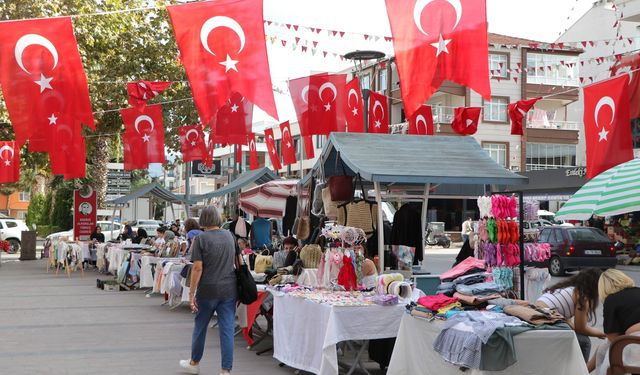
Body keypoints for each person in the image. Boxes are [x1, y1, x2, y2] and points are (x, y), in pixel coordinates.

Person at [180, 206, 238, 375]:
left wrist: (191, 293)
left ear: (203, 220)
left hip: (207, 290)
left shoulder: (201, 239)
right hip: (229, 289)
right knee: (227, 330)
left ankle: (194, 363)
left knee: (200, 326)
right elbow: (237, 261)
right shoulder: (230, 236)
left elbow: (197, 268)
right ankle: (226, 370)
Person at [535, 268, 605, 362]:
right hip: (544, 320)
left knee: (577, 337)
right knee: (584, 342)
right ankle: (581, 371)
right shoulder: (582, 297)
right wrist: (601, 333)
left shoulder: (568, 288)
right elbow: (581, 328)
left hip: (539, 316)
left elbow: (571, 324)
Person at [588, 269, 640, 374]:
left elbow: (612, 337)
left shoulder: (611, 300)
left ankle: (583, 371)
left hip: (636, 342)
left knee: (607, 349)